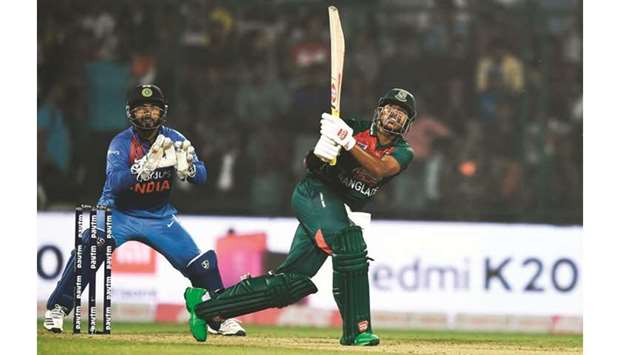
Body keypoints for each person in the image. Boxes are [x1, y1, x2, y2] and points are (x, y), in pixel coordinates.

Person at [183, 88, 416, 346]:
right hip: (314, 194)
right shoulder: (351, 126)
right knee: (349, 243)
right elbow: (312, 166)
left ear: (407, 123)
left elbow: (380, 169)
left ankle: (205, 306)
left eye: (402, 113)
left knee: (291, 283)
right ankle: (358, 331)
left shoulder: (403, 151)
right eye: (391, 108)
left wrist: (347, 142)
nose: (395, 114)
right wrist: (324, 150)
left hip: (336, 209)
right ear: (379, 111)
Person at [43, 84, 245, 339]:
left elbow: (202, 176)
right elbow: (115, 182)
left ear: (163, 112)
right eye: (141, 110)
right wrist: (140, 169)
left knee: (202, 265)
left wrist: (189, 170)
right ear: (131, 113)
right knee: (91, 246)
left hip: (158, 218)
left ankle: (220, 317)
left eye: (153, 109)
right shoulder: (121, 142)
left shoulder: (175, 139)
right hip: (117, 213)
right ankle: (58, 308)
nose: (148, 114)